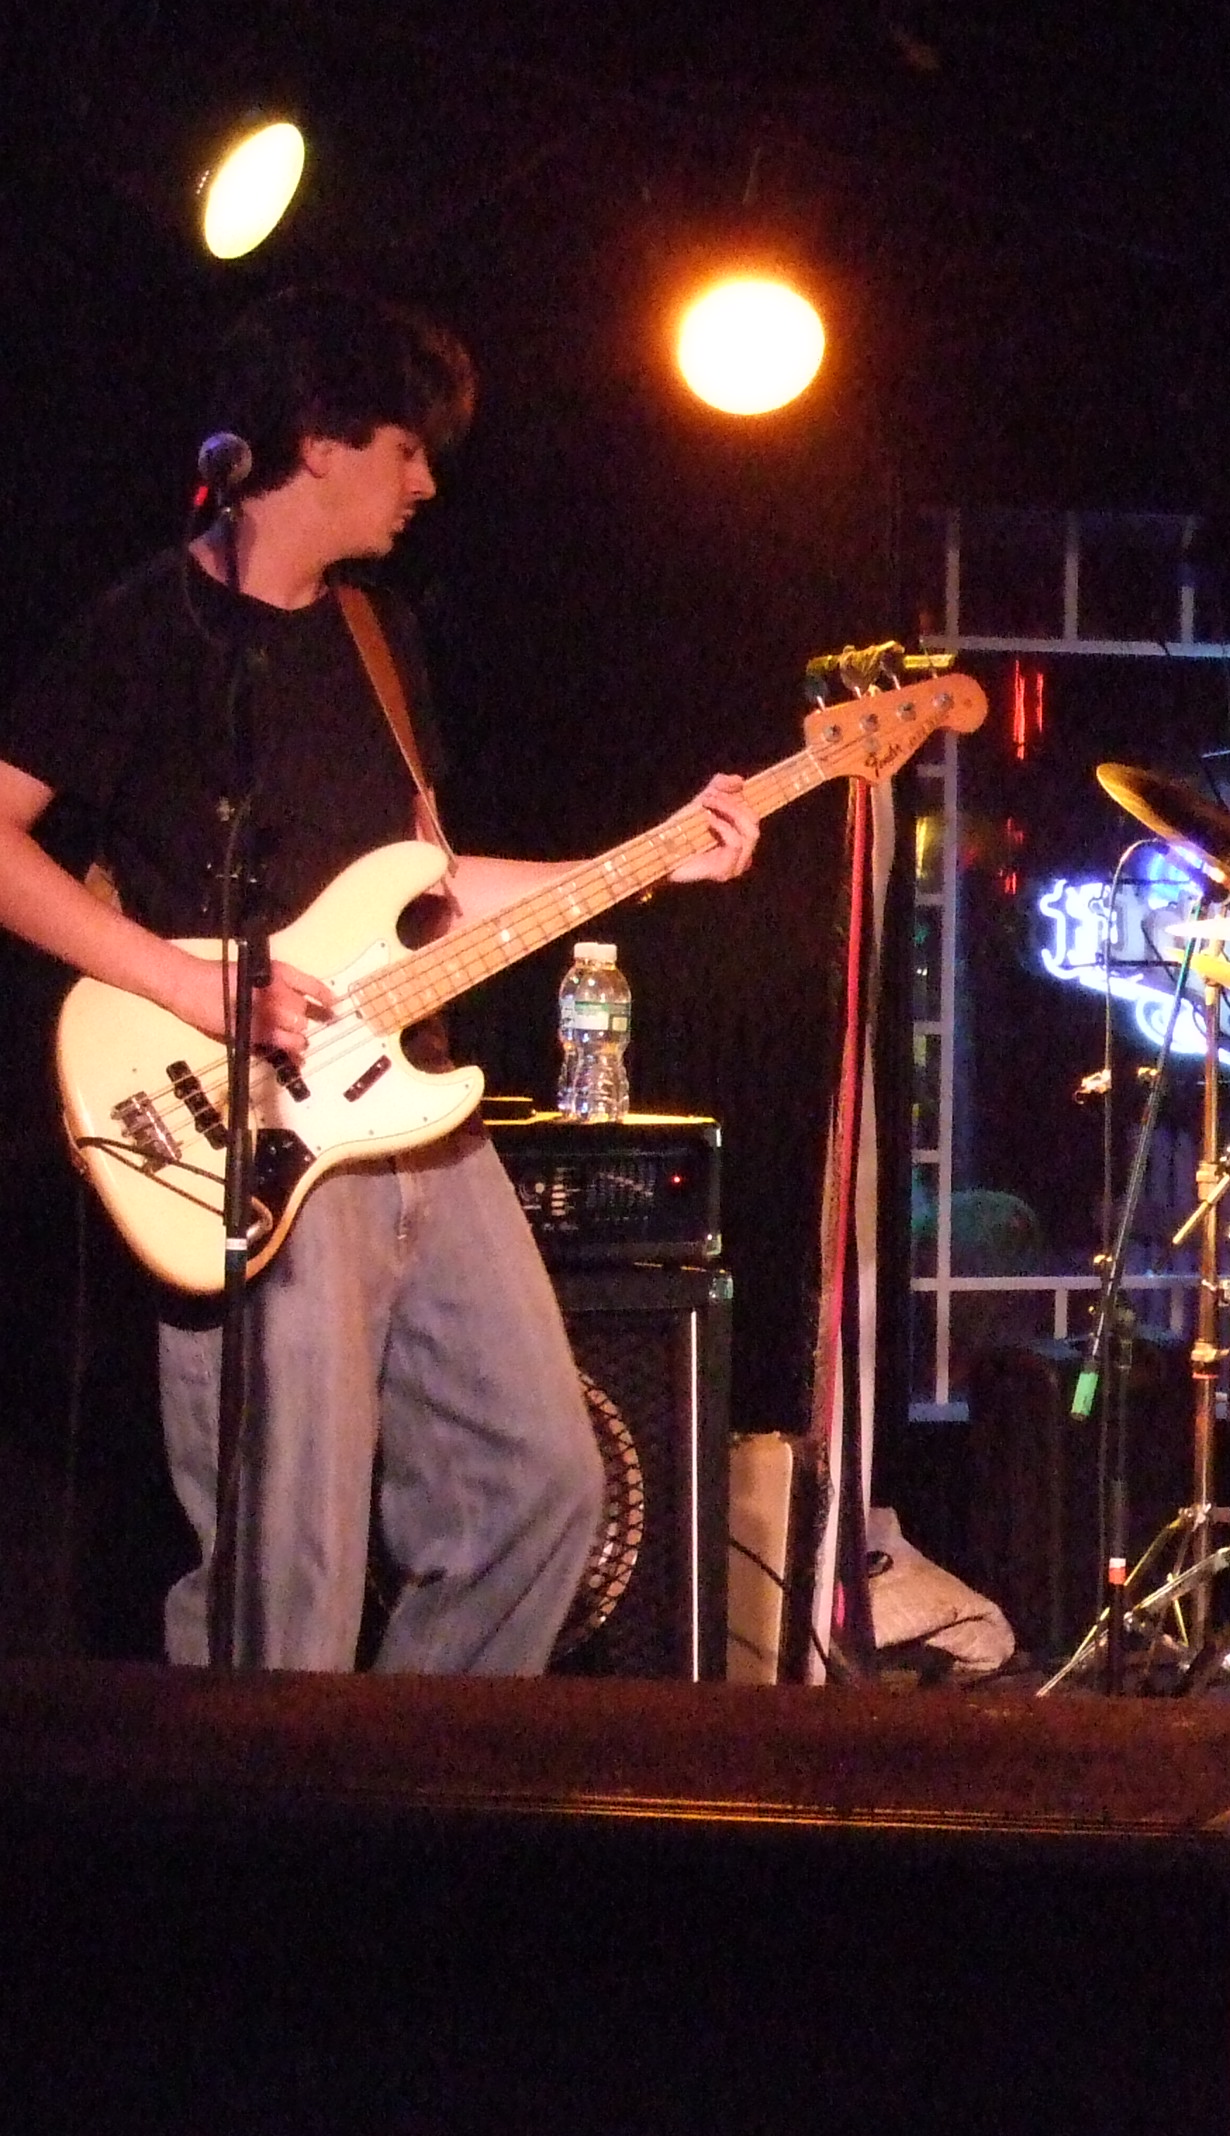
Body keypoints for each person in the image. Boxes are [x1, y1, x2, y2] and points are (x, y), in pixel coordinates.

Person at [0, 286, 760, 1673]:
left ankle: (404, 1782)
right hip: (251, 1133)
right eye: (407, 448)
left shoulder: (378, 637)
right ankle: (268, 1808)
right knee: (286, 1566)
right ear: (321, 440)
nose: (426, 483)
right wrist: (190, 989)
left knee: (541, 1487)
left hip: (419, 1122)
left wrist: (657, 860)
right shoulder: (145, 630)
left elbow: (433, 887)